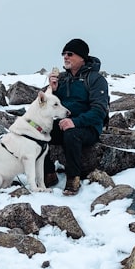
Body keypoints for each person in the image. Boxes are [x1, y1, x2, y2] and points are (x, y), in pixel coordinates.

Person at [46, 38, 109, 196]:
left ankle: (73, 178)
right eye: (63, 54)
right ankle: (48, 174)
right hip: (65, 122)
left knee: (71, 134)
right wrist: (52, 90)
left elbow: (99, 111)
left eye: (69, 54)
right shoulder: (63, 78)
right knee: (39, 131)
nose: (65, 57)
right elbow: (47, 104)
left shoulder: (95, 79)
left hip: (88, 127)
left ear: (82, 57)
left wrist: (75, 122)